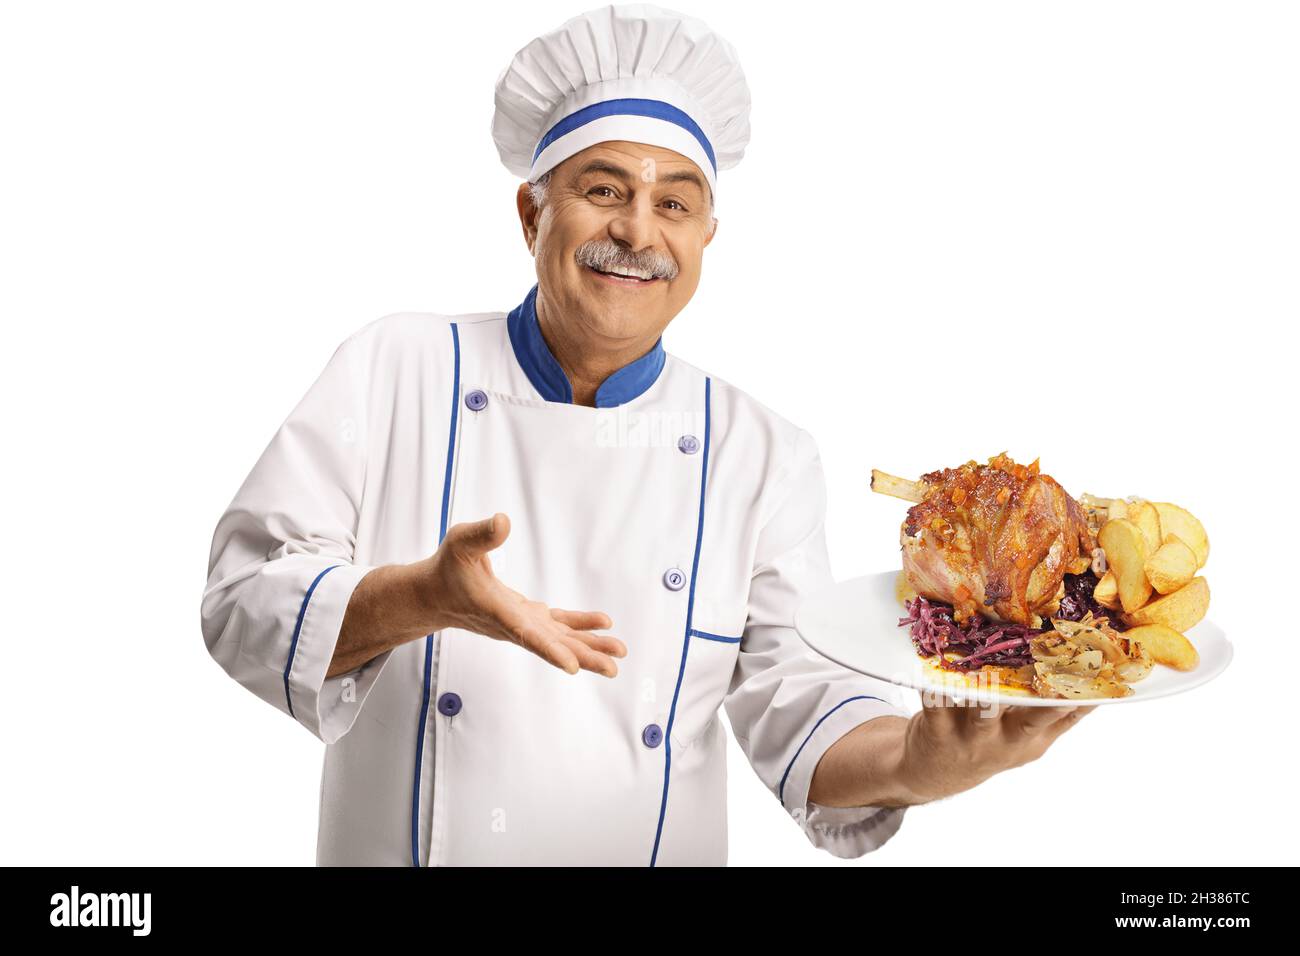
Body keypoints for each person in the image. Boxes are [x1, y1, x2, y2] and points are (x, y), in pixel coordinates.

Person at [201, 3, 1091, 867]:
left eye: (674, 204)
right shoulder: (396, 366)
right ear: (530, 216)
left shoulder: (761, 454)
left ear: (706, 235)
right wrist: (422, 598)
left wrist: (921, 763)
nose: (637, 231)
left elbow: (802, 703)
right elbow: (242, 597)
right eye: (603, 190)